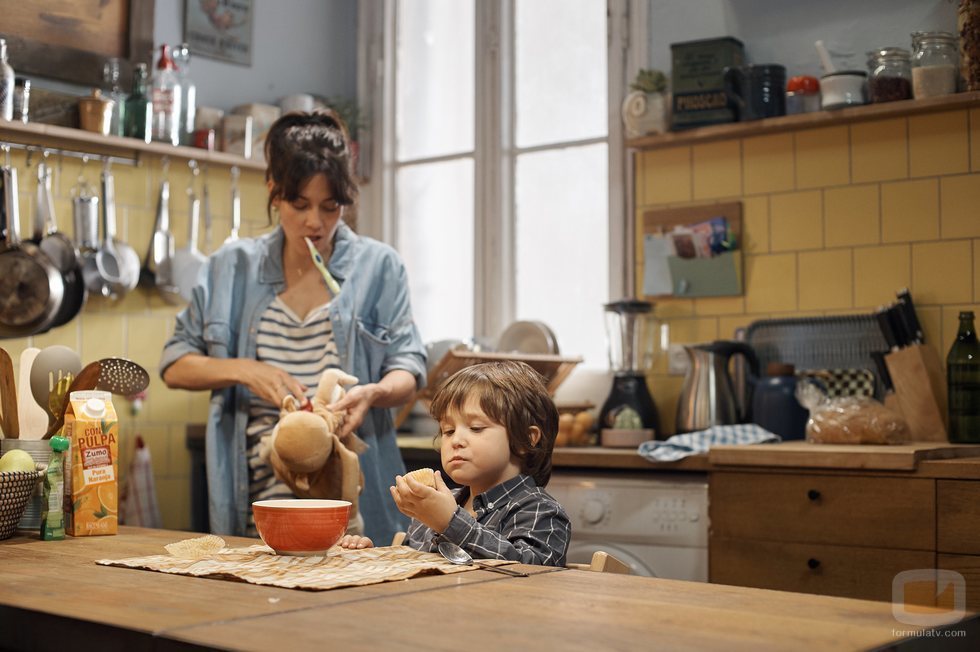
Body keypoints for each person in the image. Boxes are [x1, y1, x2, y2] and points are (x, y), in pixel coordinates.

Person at [160, 110, 426, 544]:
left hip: (354, 520)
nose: (315, 223)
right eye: (299, 204)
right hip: (252, 508)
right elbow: (174, 364)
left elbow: (409, 367)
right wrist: (246, 370)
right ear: (274, 192)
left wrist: (374, 394)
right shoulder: (231, 268)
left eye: (331, 206)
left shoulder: (380, 267)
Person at [339, 360, 571, 567]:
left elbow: (534, 571)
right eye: (448, 431)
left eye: (476, 428)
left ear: (526, 440)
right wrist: (370, 559)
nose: (456, 441)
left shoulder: (540, 510)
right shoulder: (433, 506)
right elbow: (413, 571)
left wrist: (449, 522)